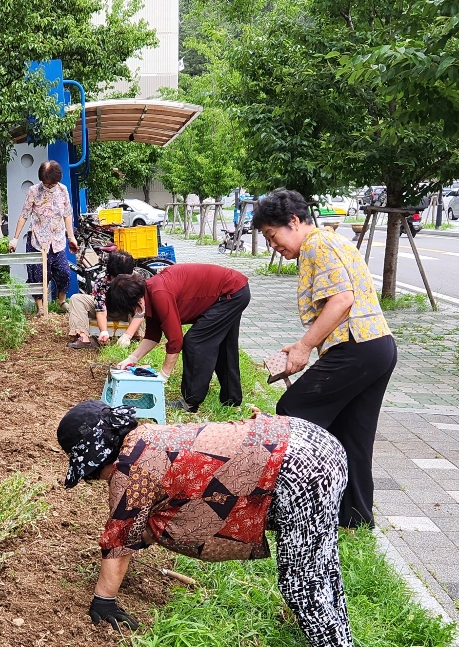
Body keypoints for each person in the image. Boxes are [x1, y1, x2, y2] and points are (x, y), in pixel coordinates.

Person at [57, 400, 360, 647]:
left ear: (101, 459)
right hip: (310, 441)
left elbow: (121, 537)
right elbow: (171, 506)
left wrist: (104, 599)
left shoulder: (129, 469)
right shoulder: (145, 437)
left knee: (301, 582)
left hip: (300, 467)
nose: (98, 480)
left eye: (93, 474)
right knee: (323, 565)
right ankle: (333, 634)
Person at [253, 188, 396, 529]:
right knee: (353, 436)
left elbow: (342, 300)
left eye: (273, 237)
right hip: (378, 347)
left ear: (294, 221)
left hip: (357, 347)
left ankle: (289, 507)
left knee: (293, 411)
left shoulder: (317, 244)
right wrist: (301, 343)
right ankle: (356, 520)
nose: (274, 246)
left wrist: (305, 347)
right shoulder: (334, 241)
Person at [107, 262, 251, 411]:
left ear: (137, 301)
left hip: (230, 293)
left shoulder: (159, 293)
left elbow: (176, 340)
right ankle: (231, 401)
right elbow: (153, 335)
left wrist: (163, 376)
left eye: (130, 310)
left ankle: (190, 402)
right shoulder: (150, 291)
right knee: (224, 345)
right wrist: (131, 359)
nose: (133, 313)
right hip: (235, 290)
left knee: (195, 342)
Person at [8, 160, 77, 306]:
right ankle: (40, 307)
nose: (49, 186)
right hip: (37, 241)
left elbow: (67, 214)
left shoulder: (63, 190)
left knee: (64, 273)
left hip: (57, 241)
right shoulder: (33, 191)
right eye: (46, 183)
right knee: (37, 277)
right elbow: (24, 215)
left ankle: (61, 301)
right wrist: (15, 238)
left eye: (52, 184)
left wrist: (71, 237)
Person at [65, 249, 145, 349]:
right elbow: (100, 309)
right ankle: (83, 337)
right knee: (76, 299)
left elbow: (140, 311)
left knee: (137, 305)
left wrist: (127, 335)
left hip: (126, 312)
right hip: (108, 310)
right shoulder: (102, 279)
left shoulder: (137, 280)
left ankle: (136, 337)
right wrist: (104, 331)